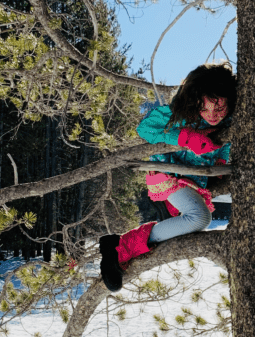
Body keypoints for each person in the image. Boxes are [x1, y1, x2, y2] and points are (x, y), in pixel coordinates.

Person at [99, 63, 236, 291]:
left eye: (220, 109)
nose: (213, 116)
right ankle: (120, 246)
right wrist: (185, 137)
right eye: (206, 109)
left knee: (187, 222)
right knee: (199, 218)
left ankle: (120, 245)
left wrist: (221, 161)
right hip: (167, 172)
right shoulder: (181, 114)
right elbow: (145, 129)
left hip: (193, 180)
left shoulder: (229, 122)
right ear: (195, 101)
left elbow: (223, 145)